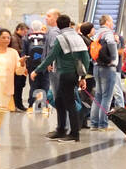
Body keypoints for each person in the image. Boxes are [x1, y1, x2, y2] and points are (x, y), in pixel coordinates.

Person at [33, 14, 89, 143]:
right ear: (69, 24)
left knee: (69, 103)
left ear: (58, 25)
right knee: (59, 101)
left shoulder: (61, 38)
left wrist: (37, 70)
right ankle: (61, 129)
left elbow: (51, 57)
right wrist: (83, 77)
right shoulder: (78, 37)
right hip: (74, 74)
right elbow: (86, 58)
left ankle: (74, 134)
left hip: (65, 74)